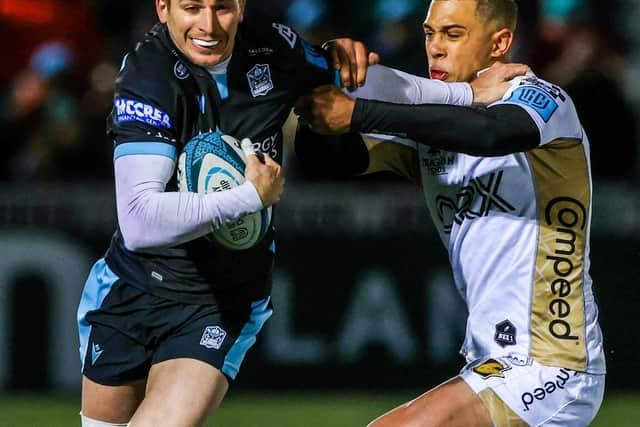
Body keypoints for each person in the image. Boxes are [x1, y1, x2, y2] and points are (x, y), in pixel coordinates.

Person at [295, 0, 606, 426]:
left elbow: (491, 132)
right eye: (430, 33)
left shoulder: (542, 99)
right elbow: (326, 162)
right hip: (490, 362)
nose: (435, 48)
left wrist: (360, 111)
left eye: (453, 34)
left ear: (500, 43)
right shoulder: (433, 128)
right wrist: (324, 97)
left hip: (553, 366)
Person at [75, 1, 384, 426]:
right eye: (191, 7)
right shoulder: (147, 74)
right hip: (131, 289)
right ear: (163, 9)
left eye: (222, 7)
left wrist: (468, 94)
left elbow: (362, 78)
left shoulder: (274, 47)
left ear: (240, 7)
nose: (208, 24)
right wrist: (248, 197)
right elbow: (140, 222)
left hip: (219, 302)